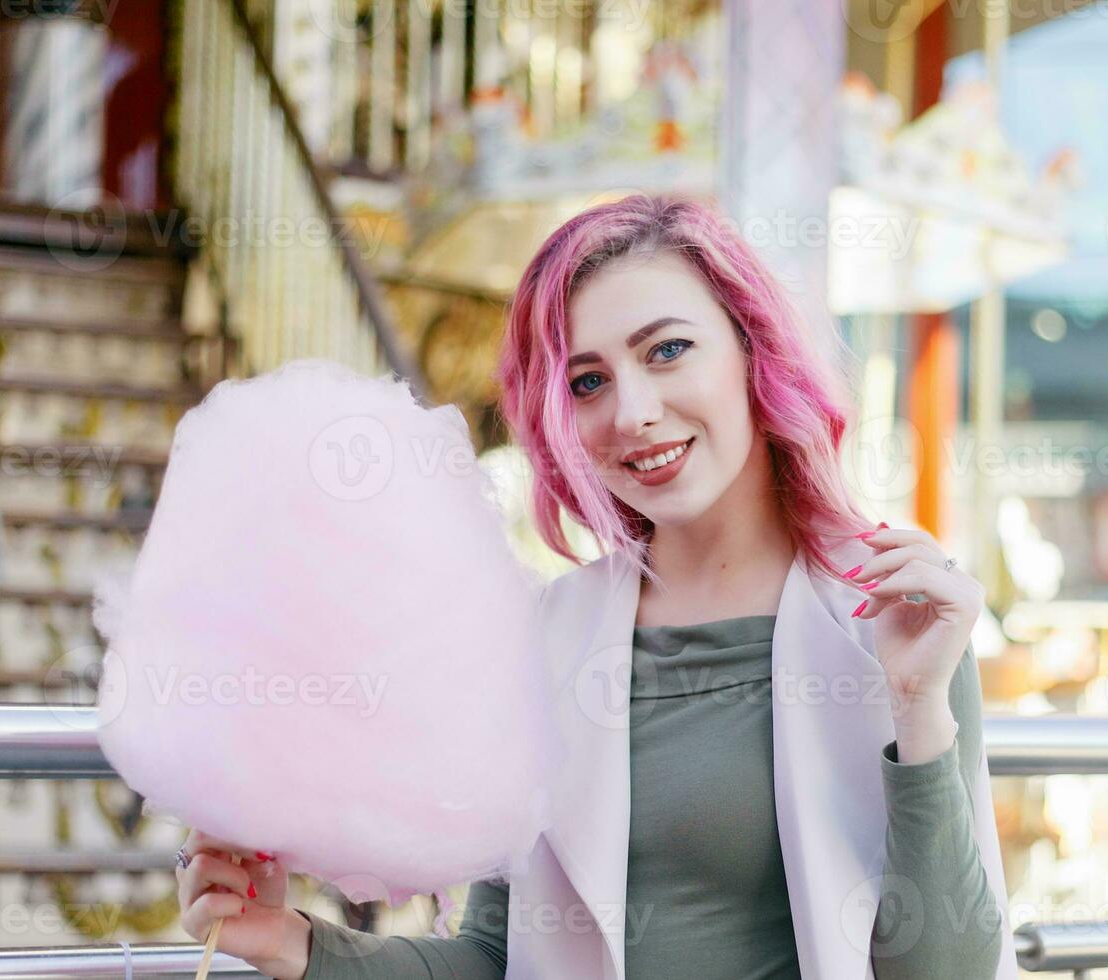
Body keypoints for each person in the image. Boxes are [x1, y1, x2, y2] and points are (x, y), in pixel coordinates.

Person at [174, 194, 1014, 979]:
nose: (631, 412)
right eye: (587, 382)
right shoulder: (549, 635)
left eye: (668, 351)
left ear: (753, 350)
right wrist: (293, 944)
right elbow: (498, 959)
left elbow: (947, 966)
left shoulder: (888, 613)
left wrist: (917, 705)